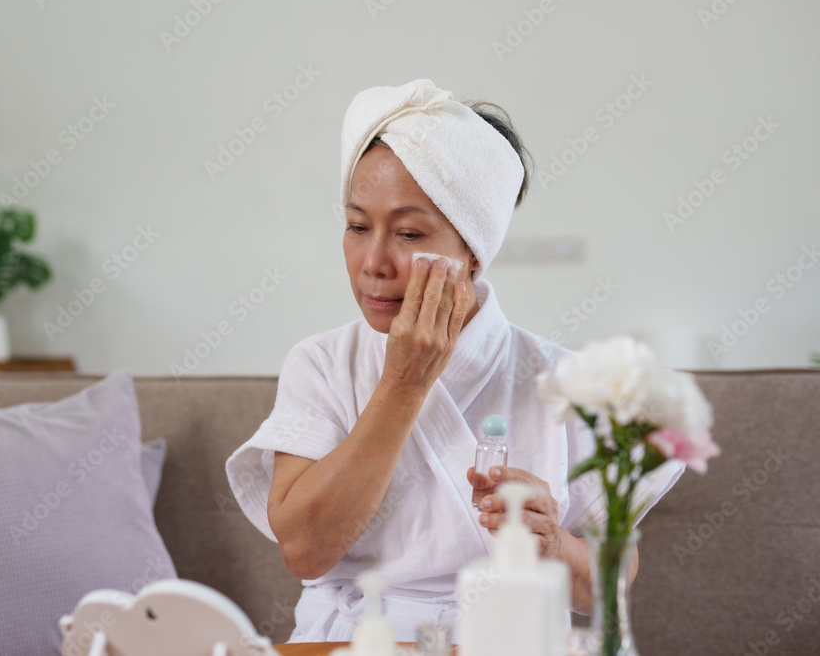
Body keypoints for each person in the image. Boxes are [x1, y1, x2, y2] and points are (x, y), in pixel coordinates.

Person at [225, 79, 684, 643]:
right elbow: (304, 551)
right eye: (357, 226)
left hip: (509, 639)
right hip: (353, 639)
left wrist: (552, 544)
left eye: (409, 232)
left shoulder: (564, 383)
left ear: (472, 250)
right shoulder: (321, 364)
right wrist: (403, 384)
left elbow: (605, 593)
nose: (372, 261)